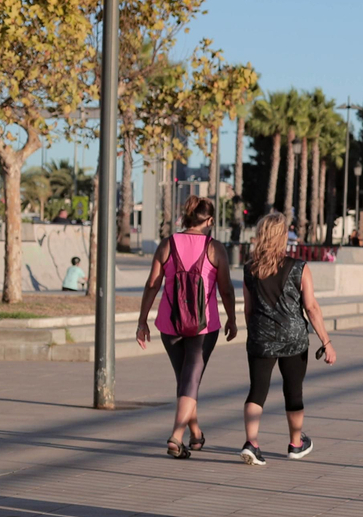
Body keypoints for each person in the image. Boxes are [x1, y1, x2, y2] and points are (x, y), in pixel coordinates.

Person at [137, 197, 237, 459]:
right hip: (204, 327)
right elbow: (226, 289)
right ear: (209, 220)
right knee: (190, 379)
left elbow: (152, 285)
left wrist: (142, 320)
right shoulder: (215, 248)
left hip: (170, 325)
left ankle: (195, 433)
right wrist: (232, 318)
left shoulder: (167, 244)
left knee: (185, 380)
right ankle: (176, 436)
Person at [239, 213, 336, 466]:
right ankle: (295, 443)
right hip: (294, 339)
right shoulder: (299, 267)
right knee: (293, 391)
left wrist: (256, 333)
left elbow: (248, 310)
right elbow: (312, 307)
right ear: (283, 237)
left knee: (257, 391)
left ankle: (252, 442)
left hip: (261, 338)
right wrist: (326, 342)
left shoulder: (250, 269)